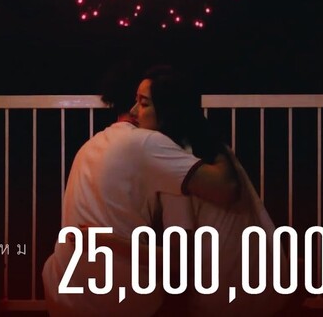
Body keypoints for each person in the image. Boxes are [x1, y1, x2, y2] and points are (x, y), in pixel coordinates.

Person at [41, 62, 241, 317]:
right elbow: (225, 190)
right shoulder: (152, 145)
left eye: (143, 102)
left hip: (61, 294)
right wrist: (209, 140)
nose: (137, 109)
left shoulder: (91, 144)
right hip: (116, 303)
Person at [130, 65, 291, 317]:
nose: (133, 111)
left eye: (143, 103)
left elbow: (176, 259)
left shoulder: (177, 161)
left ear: (168, 111)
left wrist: (105, 241)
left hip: (229, 298)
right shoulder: (209, 147)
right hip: (270, 285)